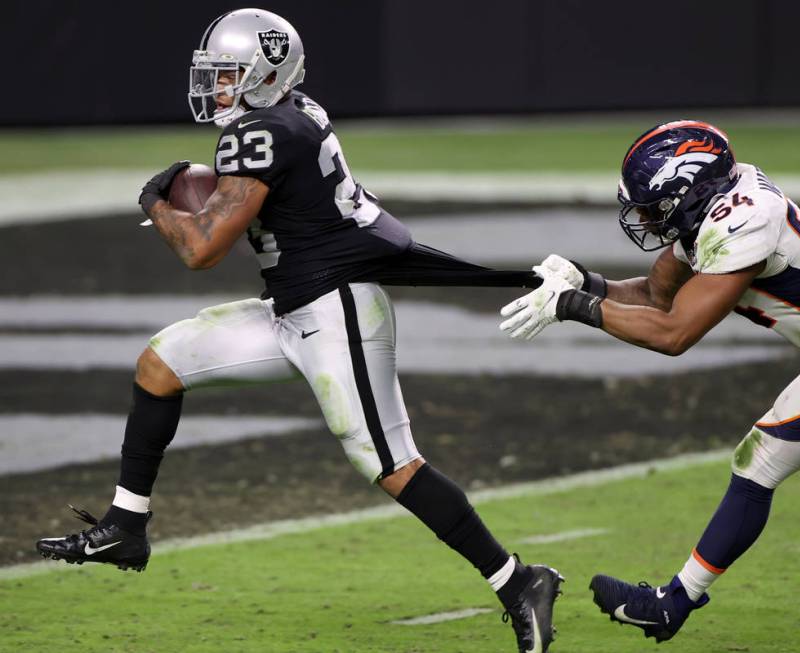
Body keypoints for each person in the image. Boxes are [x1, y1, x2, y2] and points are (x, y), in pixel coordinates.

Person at [35, 9, 562, 653]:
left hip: (337, 310)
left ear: (267, 75)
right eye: (215, 75)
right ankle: (126, 524)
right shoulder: (295, 112)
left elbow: (201, 250)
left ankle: (519, 582)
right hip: (292, 306)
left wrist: (157, 201)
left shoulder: (264, 132)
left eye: (230, 75)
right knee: (160, 364)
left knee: (391, 465)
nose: (218, 89)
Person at [498, 120, 800, 643]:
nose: (642, 217)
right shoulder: (721, 204)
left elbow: (674, 332)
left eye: (653, 204)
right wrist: (585, 281)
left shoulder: (737, 224)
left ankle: (672, 603)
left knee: (759, 462)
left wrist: (574, 307)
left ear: (692, 191)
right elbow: (658, 298)